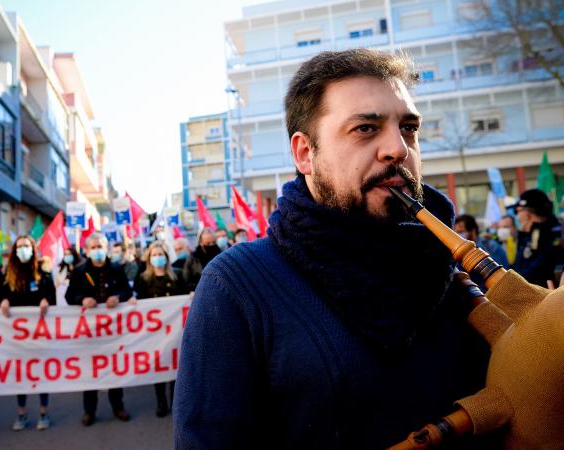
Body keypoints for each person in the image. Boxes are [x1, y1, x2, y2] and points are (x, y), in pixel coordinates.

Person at [174, 49, 492, 449]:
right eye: (365, 128)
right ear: (305, 153)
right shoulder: (236, 285)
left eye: (408, 128)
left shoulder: (457, 266)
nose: (398, 149)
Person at [65, 233, 133, 426]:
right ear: (86, 250)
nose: (97, 251)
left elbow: (127, 291)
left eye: (100, 246)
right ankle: (89, 411)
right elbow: (70, 295)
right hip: (90, 332)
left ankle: (118, 407)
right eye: (93, 247)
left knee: (114, 369)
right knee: (90, 370)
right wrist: (82, 300)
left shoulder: (116, 269)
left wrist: (118, 297)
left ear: (106, 248)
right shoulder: (79, 272)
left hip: (112, 331)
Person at [0, 236, 56, 431]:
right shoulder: (8, 275)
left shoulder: (43, 273)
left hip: (39, 333)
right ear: (14, 250)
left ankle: (44, 411)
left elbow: (52, 297)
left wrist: (46, 300)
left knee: (41, 371)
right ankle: (21, 412)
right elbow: (0, 295)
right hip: (17, 335)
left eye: (26, 246)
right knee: (21, 374)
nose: (23, 249)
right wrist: (3, 300)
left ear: (33, 248)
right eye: (19, 246)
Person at [133, 241, 188, 418]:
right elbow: (138, 300)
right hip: (154, 333)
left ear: (166, 257)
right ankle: (161, 401)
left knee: (175, 366)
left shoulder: (176, 276)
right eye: (154, 255)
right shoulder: (144, 279)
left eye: (161, 254)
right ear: (149, 259)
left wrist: (191, 295)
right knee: (159, 366)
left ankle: (175, 400)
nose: (158, 258)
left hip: (175, 332)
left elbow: (186, 294)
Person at [511, 189, 564, 287]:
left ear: (528, 213)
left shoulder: (552, 236)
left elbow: (537, 274)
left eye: (518, 211)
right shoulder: (529, 236)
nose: (517, 216)